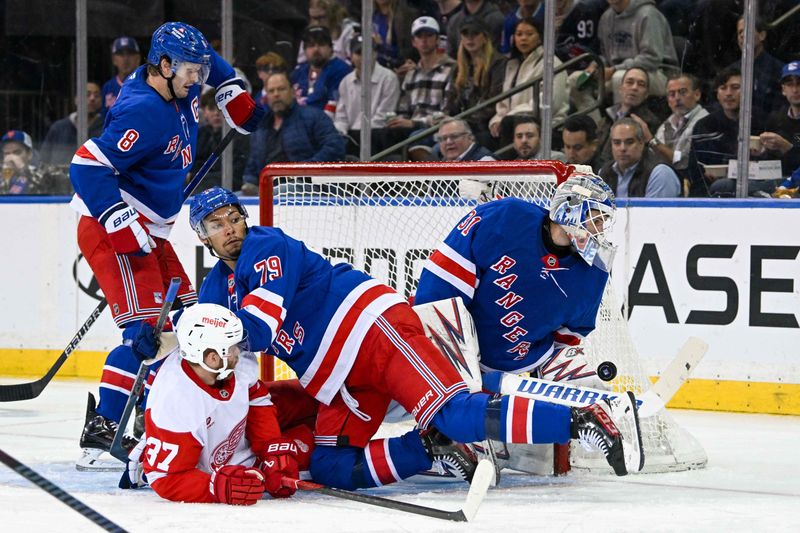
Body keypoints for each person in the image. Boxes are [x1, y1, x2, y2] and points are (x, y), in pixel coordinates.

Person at [186, 185, 641, 490]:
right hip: (340, 377)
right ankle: (426, 450)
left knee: (454, 412)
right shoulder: (214, 289)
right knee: (331, 467)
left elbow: (260, 330)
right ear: (203, 237)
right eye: (216, 224)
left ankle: (579, 421)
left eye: (233, 217)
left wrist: (206, 333)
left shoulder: (266, 245)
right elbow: (214, 365)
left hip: (371, 330)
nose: (229, 229)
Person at [70, 22, 265, 465]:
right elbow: (86, 166)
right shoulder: (140, 109)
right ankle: (104, 423)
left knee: (185, 322)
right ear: (162, 66)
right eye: (190, 73)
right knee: (146, 332)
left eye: (198, 72)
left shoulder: (180, 78)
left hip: (152, 226)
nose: (199, 80)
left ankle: (149, 408)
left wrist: (231, 88)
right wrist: (118, 220)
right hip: (112, 226)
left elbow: (210, 63)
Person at [415, 171, 615, 379]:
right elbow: (442, 285)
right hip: (453, 352)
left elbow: (569, 336)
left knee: (587, 382)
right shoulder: (506, 217)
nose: (600, 231)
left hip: (516, 372)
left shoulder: (594, 271)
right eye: (598, 219)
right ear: (572, 208)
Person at [137, 303, 318, 504]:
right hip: (224, 465)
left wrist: (270, 446)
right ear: (212, 357)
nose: (238, 352)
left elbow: (256, 397)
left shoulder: (227, 363)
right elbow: (165, 478)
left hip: (240, 435)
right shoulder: (175, 401)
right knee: (318, 455)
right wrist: (216, 487)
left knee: (315, 398)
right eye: (231, 348)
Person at [241, 72, 346, 195]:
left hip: (309, 187)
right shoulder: (261, 127)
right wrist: (249, 183)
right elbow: (252, 165)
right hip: (267, 190)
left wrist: (302, 170)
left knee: (279, 192)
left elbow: (335, 147)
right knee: (234, 200)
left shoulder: (314, 117)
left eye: (281, 89)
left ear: (292, 91)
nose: (276, 94)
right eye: (271, 91)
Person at [569, 0, 676, 112]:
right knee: (575, 80)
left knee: (621, 79)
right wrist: (596, 65)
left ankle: (621, 125)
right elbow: (605, 54)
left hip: (660, 73)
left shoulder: (649, 14)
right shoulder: (606, 17)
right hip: (618, 70)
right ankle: (596, 124)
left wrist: (615, 69)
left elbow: (651, 58)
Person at [374, 16, 456, 156]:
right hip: (412, 126)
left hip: (438, 128)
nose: (424, 40)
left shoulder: (451, 68)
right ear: (413, 41)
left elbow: (447, 113)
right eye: (419, 36)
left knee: (417, 137)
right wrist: (398, 120)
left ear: (437, 39)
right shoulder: (411, 74)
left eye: (429, 35)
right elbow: (404, 109)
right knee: (380, 135)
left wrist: (414, 123)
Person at [693, 66, 772, 197]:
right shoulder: (705, 125)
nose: (728, 93)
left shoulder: (763, 121)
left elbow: (773, 167)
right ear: (717, 94)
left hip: (756, 188)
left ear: (747, 90)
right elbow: (695, 168)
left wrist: (762, 154)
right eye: (723, 88)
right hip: (710, 193)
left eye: (735, 87)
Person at [489, 17, 568, 144]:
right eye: (519, 34)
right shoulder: (512, 65)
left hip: (546, 126)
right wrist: (497, 119)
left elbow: (549, 103)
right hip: (514, 125)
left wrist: (509, 117)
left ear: (540, 37)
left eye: (529, 34)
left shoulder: (551, 64)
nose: (523, 38)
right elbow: (503, 103)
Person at [334, 34, 401, 157]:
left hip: (377, 136)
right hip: (351, 136)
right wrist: (340, 134)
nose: (364, 57)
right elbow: (341, 118)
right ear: (351, 56)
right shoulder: (345, 82)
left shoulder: (389, 78)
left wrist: (354, 135)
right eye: (359, 53)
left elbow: (383, 117)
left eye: (368, 52)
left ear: (375, 54)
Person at [445, 17, 506, 148]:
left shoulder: (497, 63)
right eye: (466, 34)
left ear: (485, 38)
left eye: (475, 34)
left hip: (484, 126)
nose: (470, 38)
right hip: (462, 125)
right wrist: (446, 118)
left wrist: (465, 123)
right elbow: (450, 99)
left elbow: (495, 100)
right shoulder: (457, 67)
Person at [635, 73, 708, 176]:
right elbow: (653, 158)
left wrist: (651, 140)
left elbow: (683, 161)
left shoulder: (704, 121)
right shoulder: (668, 123)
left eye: (682, 92)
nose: (677, 98)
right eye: (672, 94)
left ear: (697, 94)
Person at [598, 117, 681, 198]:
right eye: (617, 143)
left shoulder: (660, 173)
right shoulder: (604, 172)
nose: (622, 148)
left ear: (641, 143)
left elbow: (655, 212)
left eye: (629, 142)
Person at [190, 90, 251, 192]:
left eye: (221, 109)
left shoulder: (240, 135)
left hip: (233, 190)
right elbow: (192, 168)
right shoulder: (199, 135)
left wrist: (194, 177)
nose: (216, 114)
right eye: (211, 109)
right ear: (204, 112)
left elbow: (236, 174)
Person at [290, 26, 352, 119]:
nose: (316, 49)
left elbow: (335, 106)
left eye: (321, 44)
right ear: (305, 50)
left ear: (331, 47)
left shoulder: (341, 70)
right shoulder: (298, 72)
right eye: (311, 45)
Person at [40, 81, 105, 166]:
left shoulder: (107, 128)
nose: (92, 98)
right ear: (76, 99)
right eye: (87, 94)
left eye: (96, 96)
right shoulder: (59, 127)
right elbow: (43, 160)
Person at [758, 61, 800, 177]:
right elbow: (770, 162)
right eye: (790, 84)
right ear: (783, 90)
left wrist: (787, 147)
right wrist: (759, 152)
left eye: (799, 84)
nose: (795, 90)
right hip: (778, 180)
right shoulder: (776, 118)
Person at [1, 130, 71, 195]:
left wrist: (24, 169)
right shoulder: (2, 173)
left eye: (17, 153)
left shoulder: (46, 171)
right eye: (7, 153)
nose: (11, 158)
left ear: (29, 154)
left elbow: (64, 185)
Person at [297, 0, 360, 64]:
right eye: (313, 18)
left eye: (321, 17)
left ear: (332, 15)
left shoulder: (348, 31)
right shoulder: (309, 33)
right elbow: (301, 62)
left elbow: (353, 60)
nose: (317, 23)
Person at [101, 36, 141, 114]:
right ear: (114, 59)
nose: (126, 58)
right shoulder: (108, 87)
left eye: (130, 53)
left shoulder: (147, 85)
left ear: (138, 58)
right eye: (121, 54)